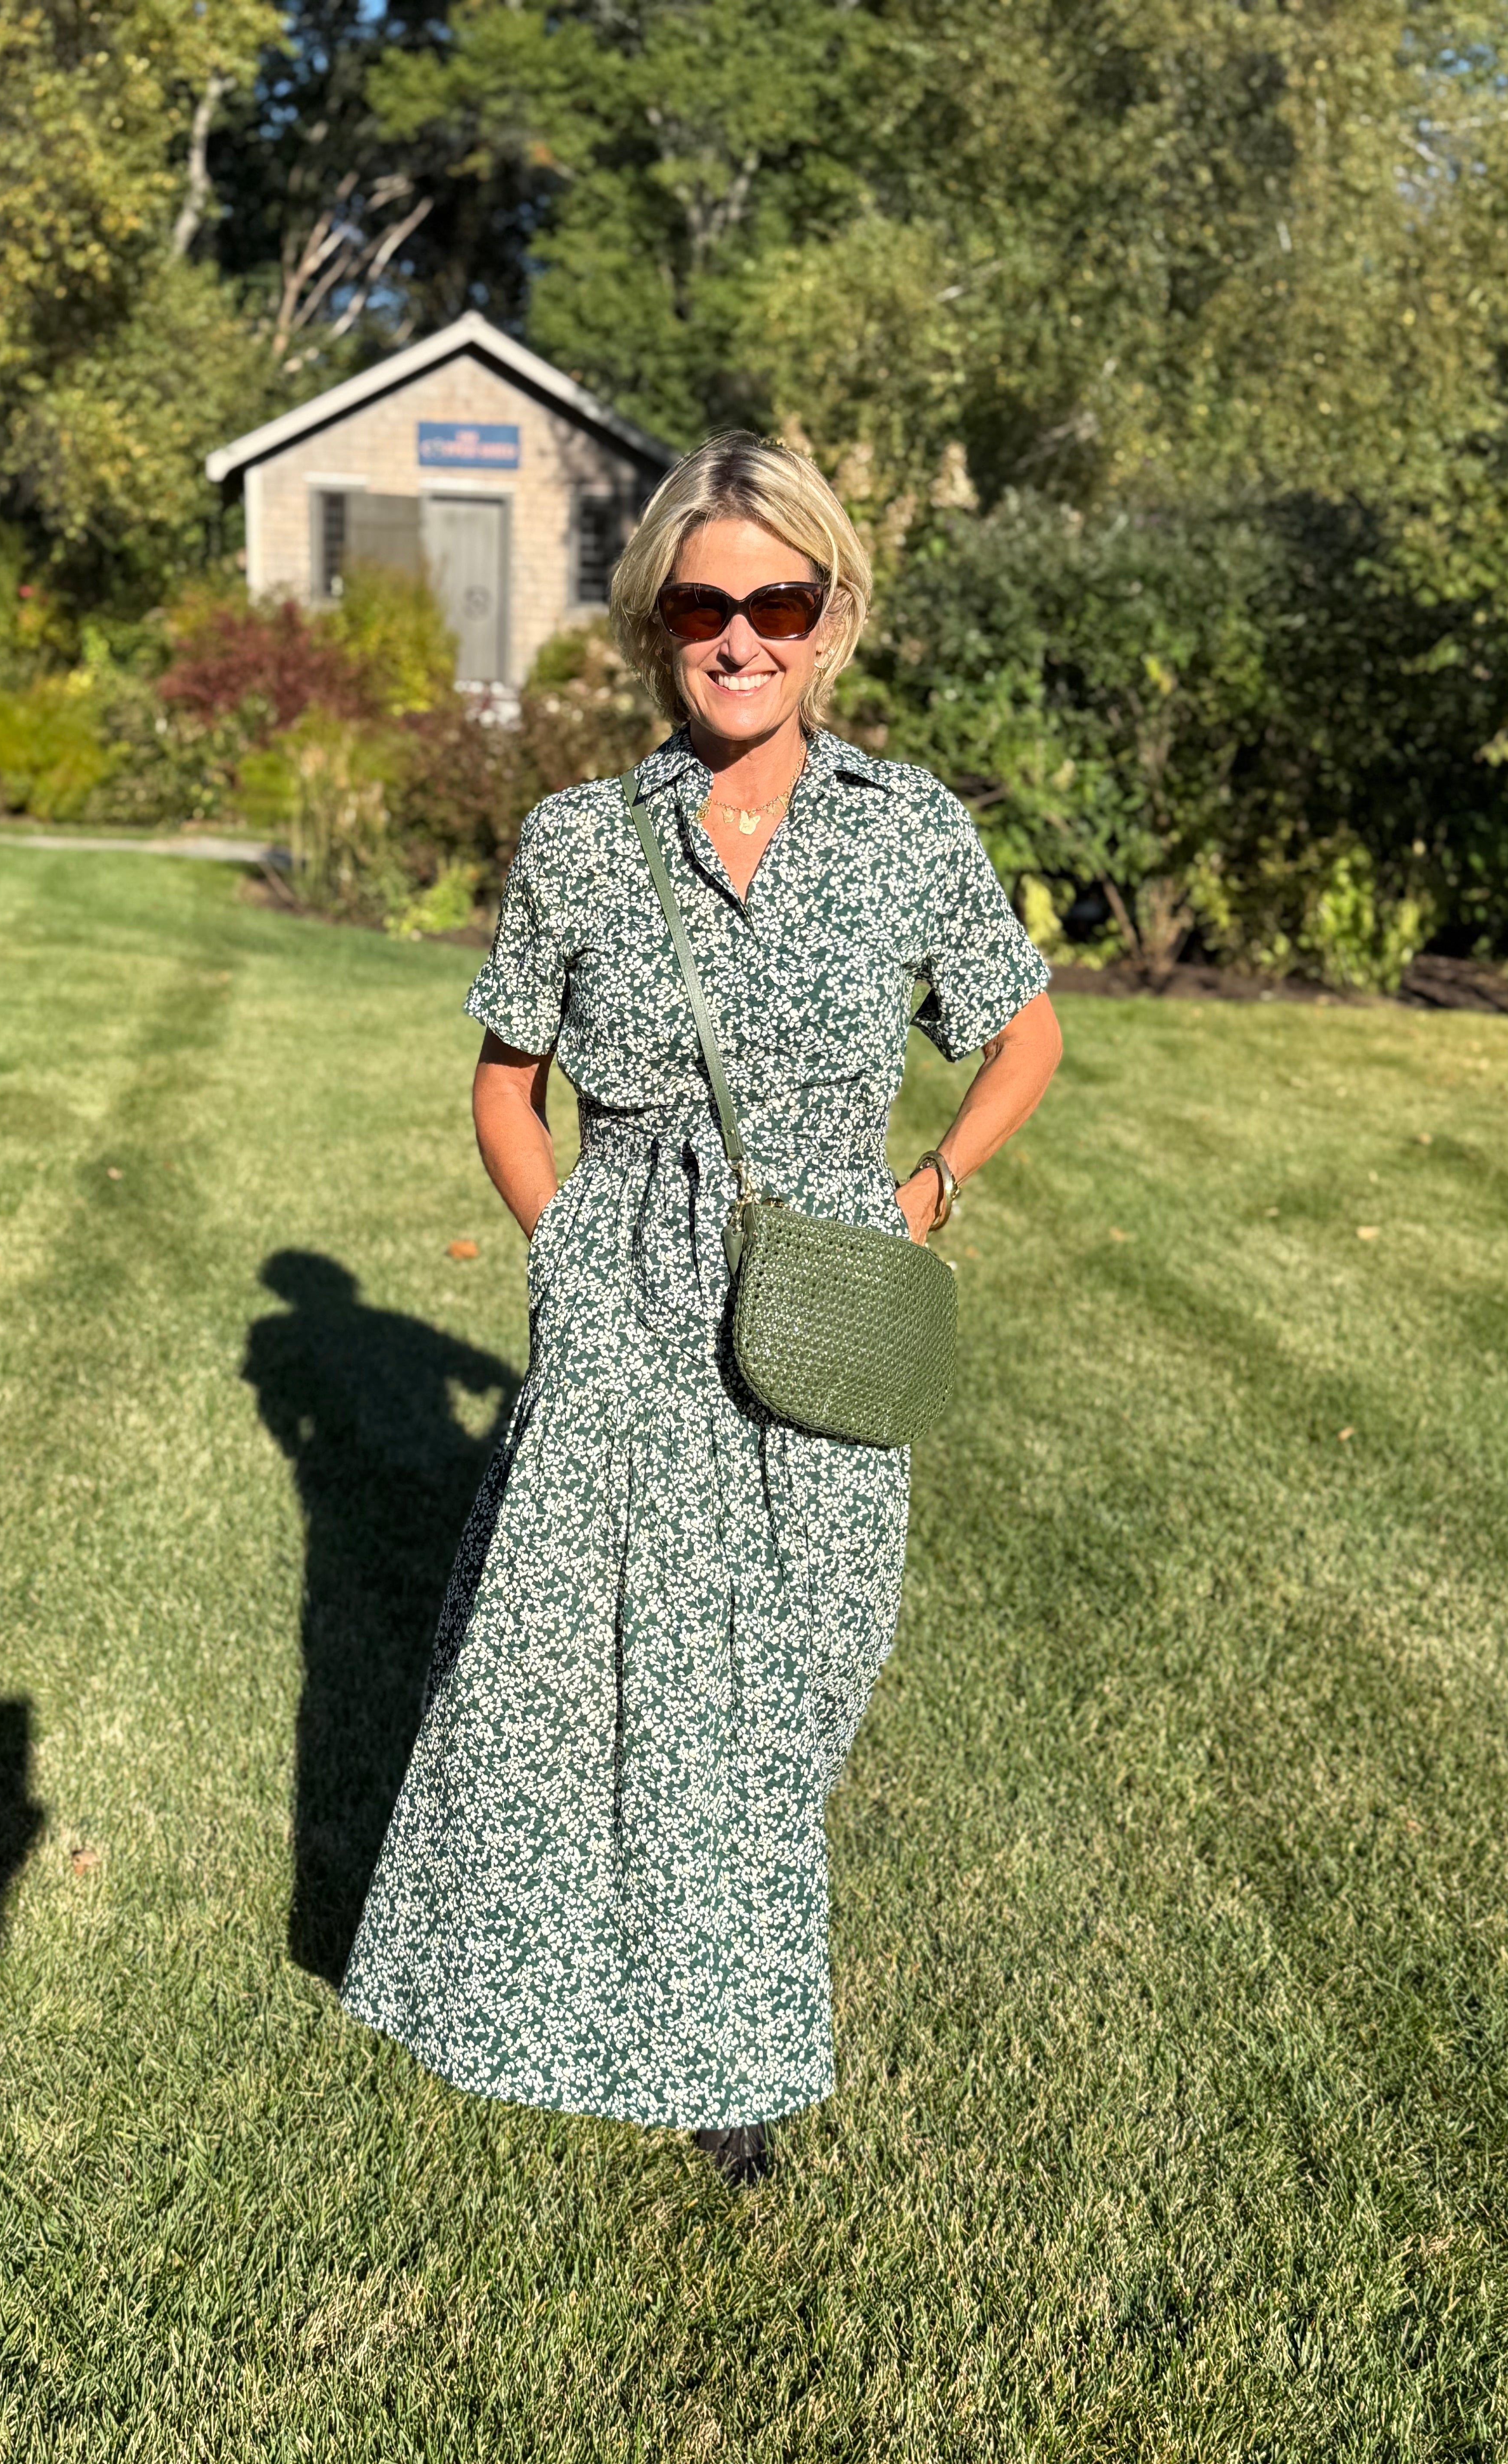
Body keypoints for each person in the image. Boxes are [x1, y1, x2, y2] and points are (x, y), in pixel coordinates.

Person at [340, 433, 1062, 2184]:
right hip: (630, 1310)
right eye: (701, 606)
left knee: (813, 1665)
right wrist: (569, 1248)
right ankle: (700, 2052)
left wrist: (926, 1191)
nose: (739, 637)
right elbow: (509, 1087)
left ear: (831, 621)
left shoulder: (910, 836)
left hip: (826, 1297)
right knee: (624, 1687)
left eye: (777, 603)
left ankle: (699, 1980)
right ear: (658, 625)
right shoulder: (585, 844)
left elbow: (1020, 1028)